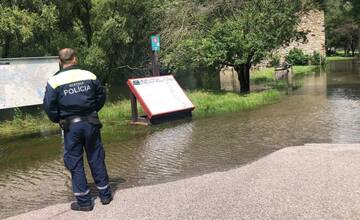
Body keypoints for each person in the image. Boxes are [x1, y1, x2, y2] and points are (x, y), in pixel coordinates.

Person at [43, 48, 112, 211]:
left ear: (60, 62)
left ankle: (84, 202)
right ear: (75, 58)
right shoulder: (89, 75)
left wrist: (58, 119)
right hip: (91, 123)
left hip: (71, 126)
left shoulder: (54, 81)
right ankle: (105, 196)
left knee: (74, 161)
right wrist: (92, 109)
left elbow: (49, 106)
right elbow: (101, 96)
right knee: (96, 156)